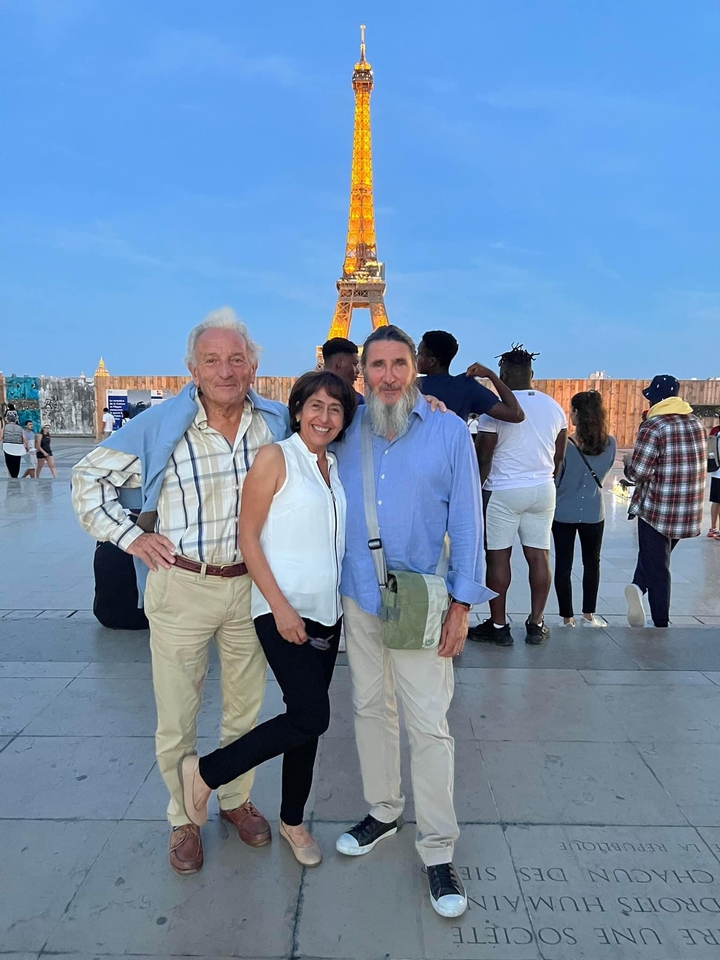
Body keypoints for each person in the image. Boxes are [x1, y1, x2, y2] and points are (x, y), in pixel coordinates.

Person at [72, 308, 290, 875]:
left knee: (245, 708)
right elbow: (87, 477)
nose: (226, 371)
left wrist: (431, 405)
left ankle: (235, 798)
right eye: (212, 360)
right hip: (183, 585)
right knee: (177, 713)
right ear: (193, 368)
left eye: (236, 359)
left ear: (253, 366)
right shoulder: (161, 424)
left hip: (250, 587)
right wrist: (131, 539)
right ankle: (183, 818)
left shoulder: (275, 423)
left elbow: (335, 437)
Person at [332, 325, 492, 918]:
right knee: (370, 708)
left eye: (399, 363)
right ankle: (383, 810)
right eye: (377, 365)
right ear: (362, 373)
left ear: (414, 369)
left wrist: (462, 606)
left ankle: (438, 847)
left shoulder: (448, 431)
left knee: (428, 725)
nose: (389, 376)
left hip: (423, 602)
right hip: (360, 596)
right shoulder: (343, 429)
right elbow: (284, 418)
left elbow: (469, 520)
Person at [180, 370, 355, 867]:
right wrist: (279, 606)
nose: (325, 417)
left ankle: (293, 821)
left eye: (336, 409)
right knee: (312, 715)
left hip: (327, 613)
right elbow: (248, 537)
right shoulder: (275, 458)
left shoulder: (333, 466)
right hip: (283, 611)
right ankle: (207, 772)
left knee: (306, 724)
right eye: (316, 406)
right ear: (297, 410)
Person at [470, 344, 567, 646]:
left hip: (503, 491)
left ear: (504, 374)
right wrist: (545, 479)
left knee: (499, 558)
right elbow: (559, 457)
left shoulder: (496, 410)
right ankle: (536, 624)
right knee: (539, 555)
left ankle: (499, 627)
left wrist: (474, 491)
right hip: (543, 489)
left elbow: (483, 457)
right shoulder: (554, 407)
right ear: (531, 373)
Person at [624, 375, 706, 628]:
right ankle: (637, 586)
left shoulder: (653, 426)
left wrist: (627, 463)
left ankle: (661, 622)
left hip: (657, 508)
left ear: (655, 399)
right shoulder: (696, 423)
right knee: (656, 559)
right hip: (688, 509)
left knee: (658, 566)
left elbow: (639, 472)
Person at [552, 391, 616, 627]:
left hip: (563, 512)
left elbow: (556, 479)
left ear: (577, 413)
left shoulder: (565, 445)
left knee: (563, 565)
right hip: (593, 511)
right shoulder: (610, 444)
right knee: (592, 563)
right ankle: (589, 615)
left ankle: (566, 617)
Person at [417, 330, 525, 424]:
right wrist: (490, 374)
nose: (415, 357)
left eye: (419, 353)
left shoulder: (412, 385)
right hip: (454, 442)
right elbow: (516, 414)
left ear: (432, 361)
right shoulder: (465, 386)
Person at [322, 337, 364, 405]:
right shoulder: (356, 401)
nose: (358, 371)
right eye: (354, 364)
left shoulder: (309, 393)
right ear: (339, 363)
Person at [2, 410, 25, 478]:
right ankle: (15, 475)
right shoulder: (20, 428)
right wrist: (26, 446)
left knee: (9, 460)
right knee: (17, 461)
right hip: (18, 446)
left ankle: (12, 475)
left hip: (7, 446)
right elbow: (24, 438)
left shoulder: (4, 427)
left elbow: (1, 436)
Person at [707, 422, 720, 539]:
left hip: (716, 472)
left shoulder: (716, 432)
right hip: (717, 473)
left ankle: (713, 527)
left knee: (716, 501)